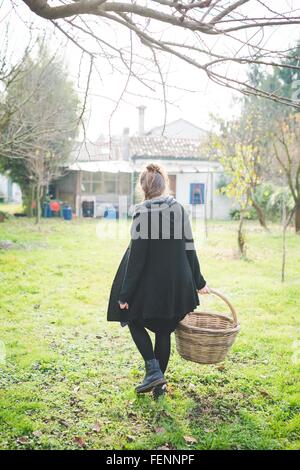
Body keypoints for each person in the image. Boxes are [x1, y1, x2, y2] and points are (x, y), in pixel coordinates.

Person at [107, 163, 209, 399]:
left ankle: (153, 369)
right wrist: (199, 281)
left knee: (130, 317)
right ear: (164, 186)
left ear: (143, 188)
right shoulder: (180, 209)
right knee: (164, 331)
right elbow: (190, 249)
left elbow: (136, 258)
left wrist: (125, 294)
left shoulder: (142, 212)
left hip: (151, 286)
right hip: (177, 286)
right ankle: (158, 386)